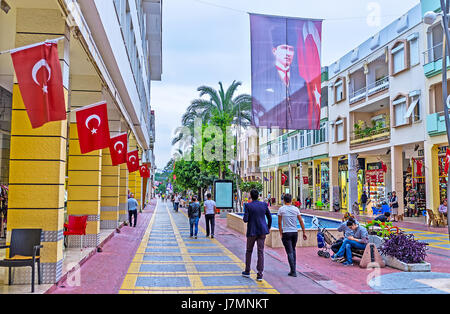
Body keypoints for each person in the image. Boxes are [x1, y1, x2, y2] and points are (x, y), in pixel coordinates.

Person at [242, 189, 272, 282]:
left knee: (249, 251)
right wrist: (268, 227)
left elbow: (245, 220)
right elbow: (269, 217)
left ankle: (247, 271)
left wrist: (247, 215)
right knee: (260, 252)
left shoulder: (247, 205)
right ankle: (259, 274)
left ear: (251, 195)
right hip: (262, 231)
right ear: (258, 195)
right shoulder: (264, 204)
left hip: (252, 231)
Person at [277, 194, 307, 277]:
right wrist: (304, 232)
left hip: (286, 232)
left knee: (289, 251)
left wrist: (280, 232)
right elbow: (301, 221)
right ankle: (293, 269)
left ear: (284, 200)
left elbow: (279, 222)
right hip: (294, 232)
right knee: (293, 250)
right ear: (291, 200)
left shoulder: (281, 209)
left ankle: (293, 271)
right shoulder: (295, 209)